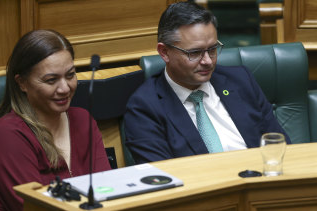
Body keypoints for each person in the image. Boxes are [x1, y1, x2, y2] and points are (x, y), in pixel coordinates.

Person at [0, 29, 111, 211]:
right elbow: (34, 207)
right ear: (22, 83)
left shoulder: (83, 120)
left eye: (70, 75)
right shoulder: (7, 135)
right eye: (51, 80)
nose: (65, 88)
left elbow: (105, 190)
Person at [124, 1, 291, 164]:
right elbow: (165, 178)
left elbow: (281, 147)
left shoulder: (241, 81)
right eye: (195, 53)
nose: (208, 61)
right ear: (164, 52)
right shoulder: (144, 107)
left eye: (212, 49)